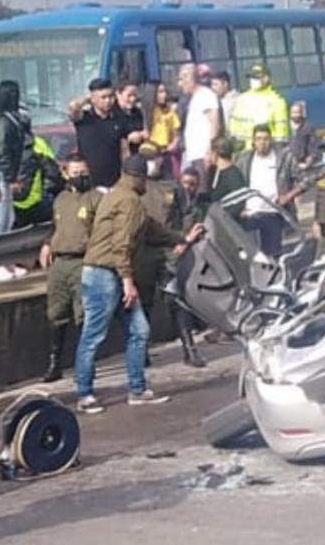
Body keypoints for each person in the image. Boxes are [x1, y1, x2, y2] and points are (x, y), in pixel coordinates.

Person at [74, 154, 201, 413]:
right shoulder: (129, 201)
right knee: (93, 335)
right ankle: (84, 394)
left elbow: (154, 230)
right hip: (104, 274)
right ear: (139, 178)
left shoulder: (119, 197)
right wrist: (128, 281)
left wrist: (184, 238)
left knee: (139, 330)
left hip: (108, 273)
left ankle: (138, 389)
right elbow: (121, 245)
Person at [136, 144, 207, 367]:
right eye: (146, 158)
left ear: (160, 159)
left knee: (177, 299)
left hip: (169, 251)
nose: (150, 163)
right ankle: (141, 352)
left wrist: (183, 239)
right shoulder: (136, 186)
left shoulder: (173, 186)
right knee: (144, 302)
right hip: (143, 251)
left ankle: (189, 349)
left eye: (153, 158)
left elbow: (187, 213)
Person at [39, 154, 100, 382]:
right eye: (75, 173)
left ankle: (86, 364)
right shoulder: (61, 199)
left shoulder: (96, 198)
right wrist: (47, 244)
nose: (80, 177)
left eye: (83, 173)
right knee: (56, 314)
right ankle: (54, 363)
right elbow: (55, 227)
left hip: (83, 261)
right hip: (59, 262)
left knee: (83, 315)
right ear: (66, 174)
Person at [238, 124, 304, 258]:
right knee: (251, 255)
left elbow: (305, 180)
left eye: (265, 139)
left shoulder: (284, 157)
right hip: (250, 214)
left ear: (271, 140)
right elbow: (236, 184)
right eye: (258, 139)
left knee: (272, 255)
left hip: (273, 213)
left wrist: (288, 196)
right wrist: (239, 208)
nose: (262, 142)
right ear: (253, 141)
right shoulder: (244, 159)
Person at [69, 77, 129, 188]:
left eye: (111, 96)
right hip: (89, 181)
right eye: (103, 97)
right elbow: (73, 106)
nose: (108, 101)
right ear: (93, 99)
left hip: (114, 181)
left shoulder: (119, 119)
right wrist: (88, 98)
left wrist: (125, 175)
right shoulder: (84, 118)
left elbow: (124, 150)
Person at [0, 81, 25, 239]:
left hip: (7, 174)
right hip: (1, 176)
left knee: (8, 218)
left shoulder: (11, 118)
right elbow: (2, 150)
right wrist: (10, 178)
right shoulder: (3, 121)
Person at [228, 64, 289, 146]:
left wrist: (278, 147)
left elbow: (281, 130)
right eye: (251, 78)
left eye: (256, 78)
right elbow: (234, 126)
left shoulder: (277, 100)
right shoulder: (242, 99)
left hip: (267, 149)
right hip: (246, 149)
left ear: (266, 78)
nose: (253, 80)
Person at [178, 63, 221, 177]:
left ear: (190, 79)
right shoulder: (193, 97)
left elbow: (215, 124)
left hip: (203, 155)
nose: (180, 84)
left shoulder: (205, 95)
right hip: (194, 155)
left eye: (181, 79)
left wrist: (209, 151)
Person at [197, 137, 248, 222]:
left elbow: (238, 204)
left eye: (210, 152)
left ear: (215, 154)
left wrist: (221, 216)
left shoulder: (233, 175)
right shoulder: (214, 170)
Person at [146, 82, 182, 177]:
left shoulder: (170, 112)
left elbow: (176, 132)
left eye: (165, 92)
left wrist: (173, 144)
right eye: (160, 92)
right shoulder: (149, 111)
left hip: (165, 152)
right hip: (150, 152)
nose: (164, 95)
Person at [112, 80, 148, 154]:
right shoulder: (111, 113)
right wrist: (128, 138)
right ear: (118, 94)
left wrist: (142, 134)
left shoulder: (137, 112)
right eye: (129, 96)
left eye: (135, 95)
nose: (133, 99)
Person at [288, 102, 320, 171]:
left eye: (298, 112)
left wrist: (311, 157)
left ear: (302, 113)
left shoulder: (308, 127)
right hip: (289, 164)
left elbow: (313, 144)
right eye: (293, 112)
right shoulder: (286, 128)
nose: (296, 115)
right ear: (290, 113)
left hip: (303, 163)